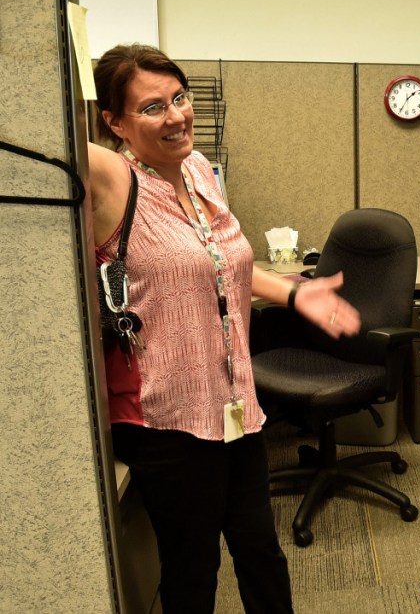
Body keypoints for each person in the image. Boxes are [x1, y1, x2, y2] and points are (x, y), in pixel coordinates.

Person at [87, 44, 361, 614]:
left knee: (261, 551)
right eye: (153, 107)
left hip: (235, 403)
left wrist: (293, 292)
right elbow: (37, 128)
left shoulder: (196, 170)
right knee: (193, 570)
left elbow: (223, 262)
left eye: (180, 98)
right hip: (167, 417)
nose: (177, 116)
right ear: (114, 122)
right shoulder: (113, 179)